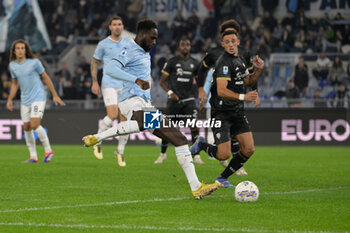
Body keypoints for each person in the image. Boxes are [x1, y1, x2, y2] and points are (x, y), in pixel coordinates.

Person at [82, 19, 219, 199]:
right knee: (141, 123)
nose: (154, 42)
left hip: (144, 102)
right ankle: (98, 137)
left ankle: (196, 187)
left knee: (178, 139)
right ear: (142, 34)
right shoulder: (129, 49)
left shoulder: (144, 52)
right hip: (131, 99)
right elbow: (111, 70)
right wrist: (136, 80)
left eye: (156, 39)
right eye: (152, 38)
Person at [191, 29, 264, 188]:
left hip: (237, 112)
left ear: (238, 42)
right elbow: (221, 91)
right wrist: (244, 97)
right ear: (222, 44)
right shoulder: (223, 62)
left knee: (249, 149)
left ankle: (222, 178)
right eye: (227, 42)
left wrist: (258, 69)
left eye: (233, 41)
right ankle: (201, 145)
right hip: (221, 114)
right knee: (223, 154)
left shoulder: (240, 60)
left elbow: (248, 82)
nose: (231, 44)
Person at [6, 39, 65, 163]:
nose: (20, 50)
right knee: (27, 127)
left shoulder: (34, 62)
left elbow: (46, 77)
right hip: (24, 99)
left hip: (38, 96)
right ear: (14, 51)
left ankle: (48, 150)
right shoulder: (12, 65)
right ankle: (33, 156)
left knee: (34, 124)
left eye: (23, 48)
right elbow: (15, 83)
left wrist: (55, 95)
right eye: (18, 48)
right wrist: (10, 99)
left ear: (26, 50)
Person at [154, 38, 204, 165]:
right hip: (174, 101)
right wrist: (170, 93)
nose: (185, 47)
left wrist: (201, 96)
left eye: (188, 44)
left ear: (190, 47)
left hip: (189, 100)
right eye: (183, 44)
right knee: (168, 128)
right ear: (179, 47)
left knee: (194, 126)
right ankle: (163, 154)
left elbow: (199, 83)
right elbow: (162, 81)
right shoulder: (172, 62)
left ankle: (197, 156)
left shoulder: (195, 63)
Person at [90, 16, 131, 166]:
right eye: (114, 25)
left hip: (125, 85)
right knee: (112, 114)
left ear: (122, 26)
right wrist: (94, 81)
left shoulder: (129, 43)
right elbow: (94, 62)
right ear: (110, 27)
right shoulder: (103, 44)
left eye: (119, 24)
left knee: (125, 120)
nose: (117, 27)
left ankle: (120, 151)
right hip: (109, 84)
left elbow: (135, 61)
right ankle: (97, 140)